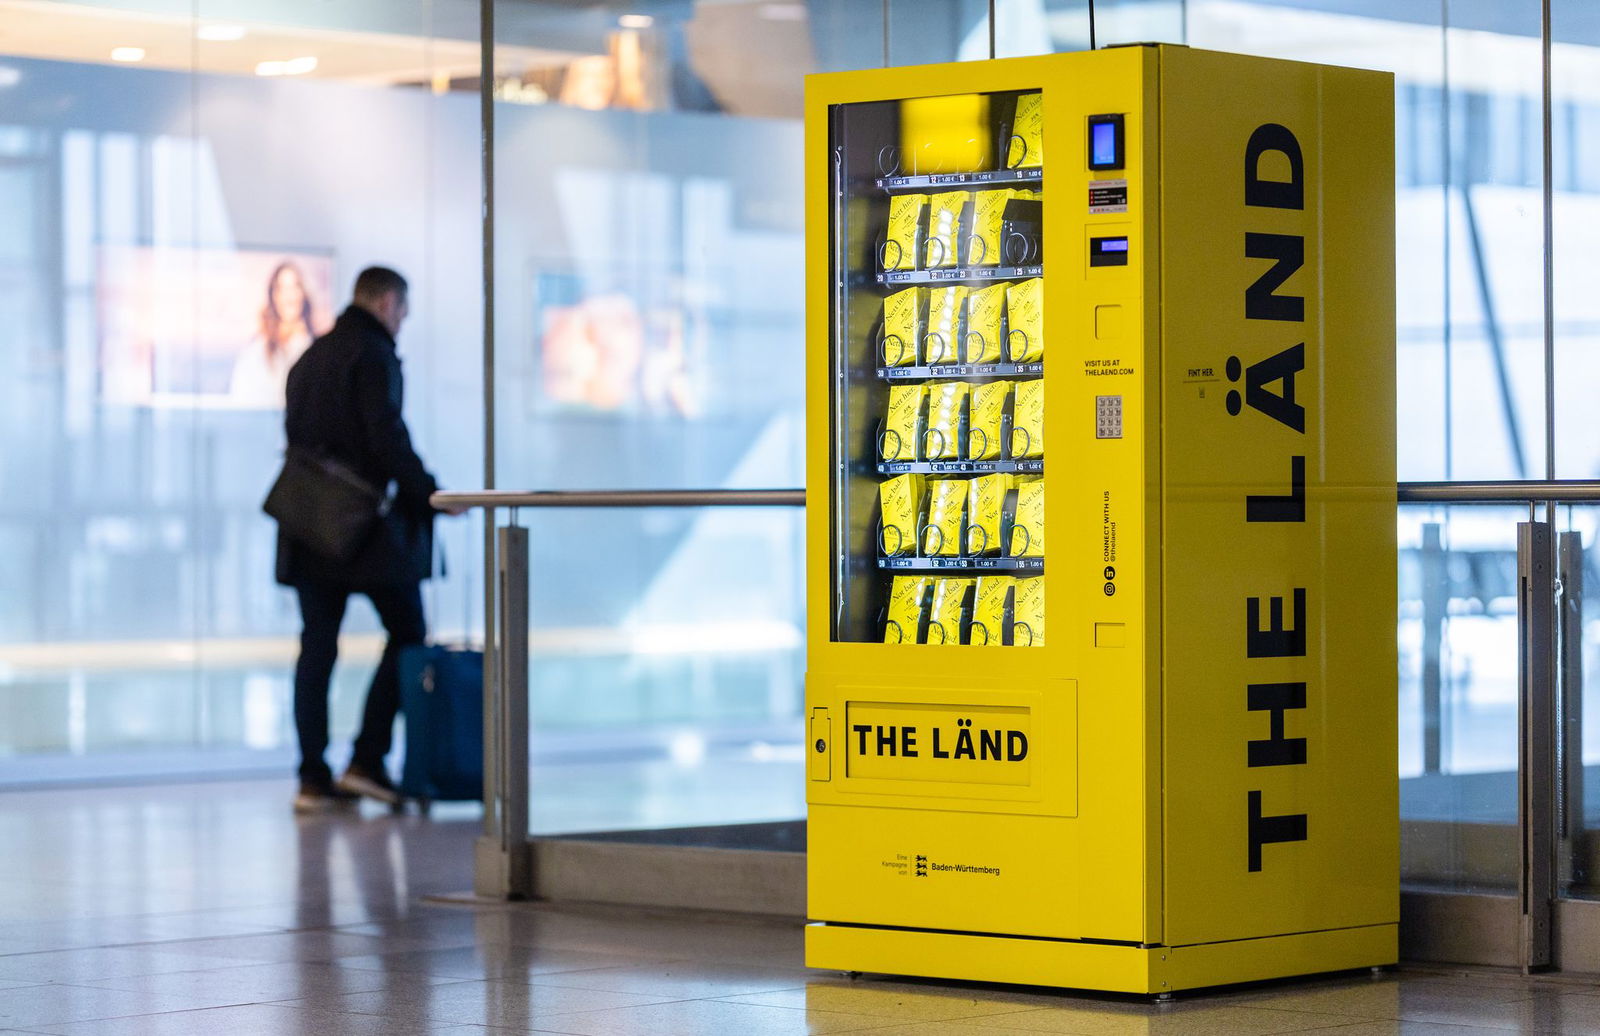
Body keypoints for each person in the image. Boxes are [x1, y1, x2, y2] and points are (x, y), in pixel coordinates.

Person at [275, 266, 452, 813]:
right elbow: (386, 437)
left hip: (307, 523)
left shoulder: (312, 355)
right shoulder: (373, 355)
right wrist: (428, 491)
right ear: (385, 302)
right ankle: (367, 761)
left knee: (317, 647)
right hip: (364, 529)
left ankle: (312, 776)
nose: (403, 321)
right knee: (409, 633)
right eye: (402, 309)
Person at [231, 260, 318, 406]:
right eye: (282, 289)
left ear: (303, 293)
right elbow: (241, 398)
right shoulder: (256, 351)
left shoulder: (317, 349)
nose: (289, 297)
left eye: (295, 287)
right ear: (274, 296)